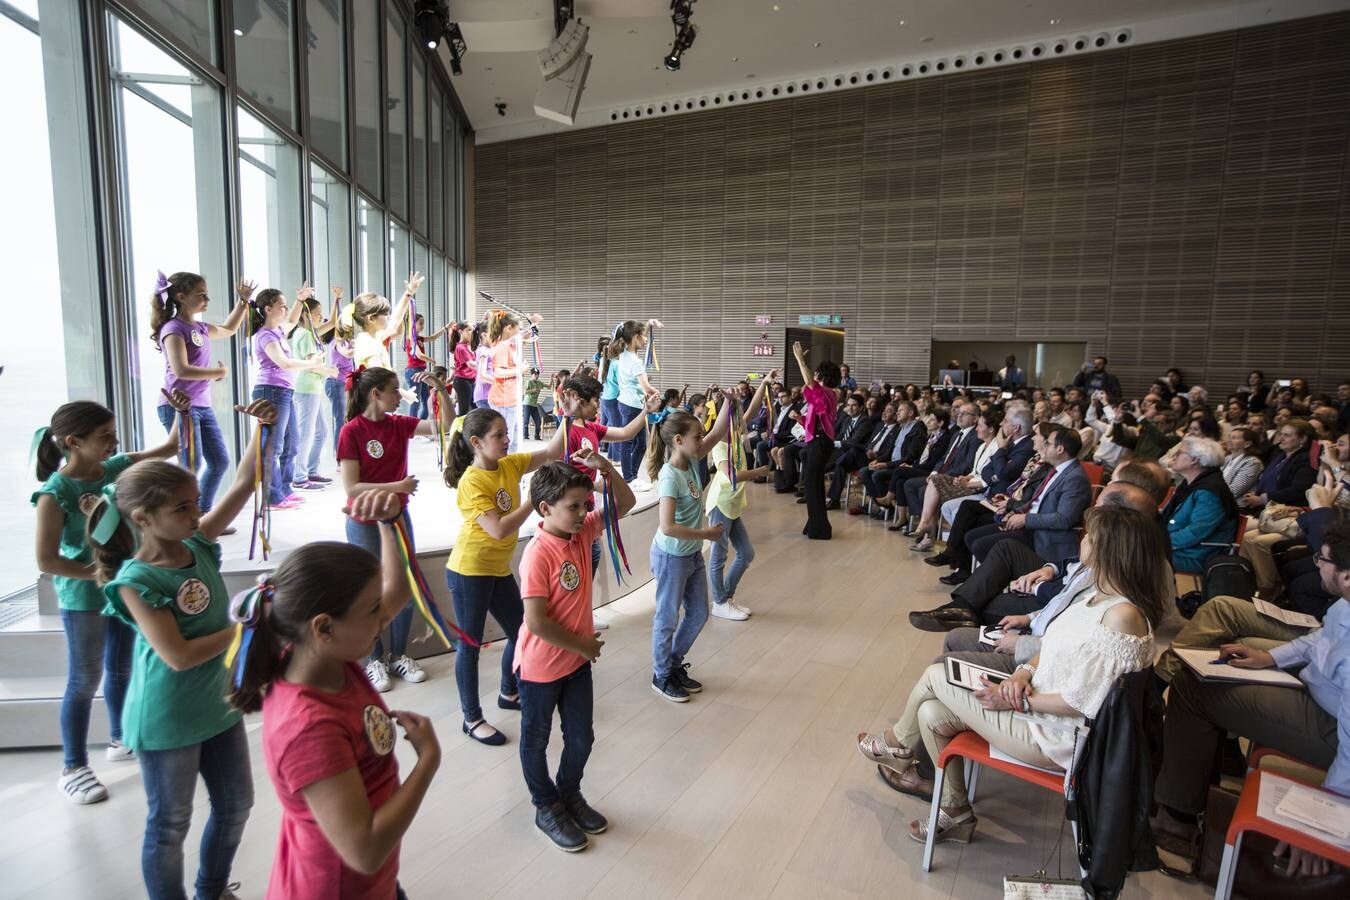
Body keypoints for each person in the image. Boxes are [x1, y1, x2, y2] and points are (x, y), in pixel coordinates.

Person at [856, 506, 1170, 841]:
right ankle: (955, 809)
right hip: (1034, 702)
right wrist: (1021, 674)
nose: (1083, 540)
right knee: (932, 711)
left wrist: (1016, 700)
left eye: (1090, 536)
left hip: (1057, 735)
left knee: (937, 675)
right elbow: (1050, 648)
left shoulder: (1123, 614)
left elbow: (1084, 702)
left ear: (1109, 548)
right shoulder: (1097, 594)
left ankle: (898, 745)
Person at [86, 399, 277, 900]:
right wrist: (249, 626)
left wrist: (260, 429)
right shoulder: (135, 579)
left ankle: (211, 890)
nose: (198, 512)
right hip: (167, 715)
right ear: (144, 518)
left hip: (217, 703)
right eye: (184, 507)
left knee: (236, 804)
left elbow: (240, 486)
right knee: (170, 822)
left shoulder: (196, 545)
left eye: (196, 502)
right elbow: (178, 655)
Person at [223, 492, 438, 899]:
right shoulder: (309, 728)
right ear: (324, 627)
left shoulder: (320, 655)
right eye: (373, 610)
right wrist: (427, 760)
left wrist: (390, 524)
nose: (384, 616)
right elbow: (365, 850)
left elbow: (397, 592)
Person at [1152, 522, 1350, 879]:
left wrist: (1326, 822)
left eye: (1322, 559)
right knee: (1222, 654)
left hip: (1333, 728)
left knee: (1193, 687)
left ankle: (1177, 818)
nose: (1316, 564)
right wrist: (1270, 659)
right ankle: (1206, 758)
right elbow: (1320, 639)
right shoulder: (1345, 603)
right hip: (1323, 689)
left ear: (1347, 577)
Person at [33, 396, 188, 803]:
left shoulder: (117, 468)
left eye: (113, 433)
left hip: (121, 592)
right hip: (84, 598)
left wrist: (182, 412)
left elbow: (170, 448)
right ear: (72, 441)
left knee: (120, 668)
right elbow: (46, 559)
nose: (114, 442)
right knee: (83, 681)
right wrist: (97, 575)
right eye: (104, 436)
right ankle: (74, 766)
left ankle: (121, 737)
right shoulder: (55, 492)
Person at [516, 459, 635, 852]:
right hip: (540, 669)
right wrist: (583, 644)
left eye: (585, 504)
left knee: (581, 738)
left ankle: (569, 794)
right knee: (536, 740)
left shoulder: (582, 531)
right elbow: (536, 622)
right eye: (574, 506)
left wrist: (607, 470)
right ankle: (546, 805)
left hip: (576, 663)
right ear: (545, 508)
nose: (583, 513)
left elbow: (626, 502)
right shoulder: (537, 554)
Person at [444, 408, 566, 745]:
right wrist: (533, 500)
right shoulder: (471, 482)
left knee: (521, 630)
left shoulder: (509, 464)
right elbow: (497, 529)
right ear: (476, 442)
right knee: (470, 646)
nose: (506, 439)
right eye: (498, 435)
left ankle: (507, 692)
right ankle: (471, 718)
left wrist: (566, 417)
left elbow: (552, 452)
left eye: (505, 432)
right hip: (469, 570)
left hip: (496, 569)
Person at [339, 366, 456, 693]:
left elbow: (447, 426)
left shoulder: (399, 425)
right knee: (370, 589)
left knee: (404, 584)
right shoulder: (352, 431)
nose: (400, 397)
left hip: (398, 519)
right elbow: (351, 487)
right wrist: (398, 486)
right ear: (375, 393)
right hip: (364, 523)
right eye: (394, 391)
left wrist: (442, 391)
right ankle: (372, 659)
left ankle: (398, 654)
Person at [646, 400, 732, 702]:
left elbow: (719, 430)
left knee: (697, 613)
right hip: (671, 556)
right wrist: (706, 534)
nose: (702, 439)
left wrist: (729, 401)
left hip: (691, 553)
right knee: (667, 617)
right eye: (697, 436)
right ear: (679, 441)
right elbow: (667, 526)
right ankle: (661, 675)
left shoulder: (692, 460)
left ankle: (671, 664)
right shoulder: (670, 476)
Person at [149, 271, 250, 513]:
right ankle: (184, 517)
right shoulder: (173, 329)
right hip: (179, 406)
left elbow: (228, 329)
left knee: (219, 461)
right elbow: (181, 369)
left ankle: (201, 514)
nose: (207, 299)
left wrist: (243, 302)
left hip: (201, 405)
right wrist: (218, 374)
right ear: (181, 297)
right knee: (190, 465)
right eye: (201, 294)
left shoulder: (201, 328)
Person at [250, 286, 331, 510]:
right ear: (267, 309)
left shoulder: (277, 330)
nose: (286, 310)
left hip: (284, 392)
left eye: (286, 306)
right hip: (270, 392)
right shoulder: (265, 335)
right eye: (281, 306)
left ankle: (284, 490)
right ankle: (272, 497)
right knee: (273, 447)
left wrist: (298, 300)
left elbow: (293, 319)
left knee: (292, 443)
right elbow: (283, 363)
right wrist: (312, 363)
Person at [706, 373, 776, 622]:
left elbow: (754, 407)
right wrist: (758, 472)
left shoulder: (736, 432)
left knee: (746, 554)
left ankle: (726, 597)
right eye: (734, 412)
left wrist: (765, 383)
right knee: (719, 555)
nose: (740, 416)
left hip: (733, 504)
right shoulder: (720, 442)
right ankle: (719, 602)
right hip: (721, 503)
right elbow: (730, 475)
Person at [1163, 436, 1240, 574]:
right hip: (1181, 549)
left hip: (1196, 555)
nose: (1174, 456)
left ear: (1194, 460)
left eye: (1180, 453)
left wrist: (1158, 540)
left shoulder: (1209, 492)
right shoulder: (1189, 484)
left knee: (1134, 555)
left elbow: (1195, 533)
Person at [791, 340, 843, 540]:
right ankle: (815, 524)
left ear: (822, 375)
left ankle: (820, 529)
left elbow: (810, 384)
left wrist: (800, 360)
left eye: (816, 373)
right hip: (818, 440)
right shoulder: (824, 395)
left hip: (821, 442)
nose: (813, 376)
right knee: (814, 485)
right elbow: (816, 421)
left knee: (813, 485)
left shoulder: (828, 392)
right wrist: (799, 419)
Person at [289, 296, 339, 491]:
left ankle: (310, 470)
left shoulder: (309, 333)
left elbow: (333, 322)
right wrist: (330, 371)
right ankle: (299, 477)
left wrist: (336, 299)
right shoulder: (305, 334)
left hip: (312, 389)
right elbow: (312, 366)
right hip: (307, 388)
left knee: (321, 432)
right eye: (317, 314)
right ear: (305, 315)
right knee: (307, 434)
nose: (321, 317)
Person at [611, 319, 662, 482]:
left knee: (638, 443)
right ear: (634, 337)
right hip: (632, 405)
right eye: (643, 336)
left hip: (626, 403)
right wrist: (658, 392)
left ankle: (631, 477)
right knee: (630, 442)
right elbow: (647, 388)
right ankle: (630, 478)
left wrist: (648, 323)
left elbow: (634, 334)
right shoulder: (635, 361)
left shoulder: (625, 354)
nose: (646, 339)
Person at [1221, 426, 1264, 499]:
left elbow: (1234, 491)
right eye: (1229, 437)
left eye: (1234, 438)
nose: (1229, 440)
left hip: (1237, 507)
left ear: (1247, 444)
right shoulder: (1227, 458)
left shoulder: (1252, 462)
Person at [448, 322, 477, 415]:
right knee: (464, 411)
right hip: (462, 381)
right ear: (461, 332)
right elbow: (471, 364)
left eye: (472, 330)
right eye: (468, 330)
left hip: (471, 380)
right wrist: (485, 366)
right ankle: (459, 429)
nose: (471, 332)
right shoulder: (460, 347)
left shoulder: (469, 346)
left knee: (474, 407)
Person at [522, 367, 547, 441]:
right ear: (532, 374)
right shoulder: (528, 382)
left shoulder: (539, 383)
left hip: (534, 405)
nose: (537, 376)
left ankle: (537, 436)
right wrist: (534, 390)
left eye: (537, 374)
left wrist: (552, 379)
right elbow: (524, 392)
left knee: (538, 421)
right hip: (527, 404)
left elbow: (548, 386)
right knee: (526, 421)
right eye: (535, 374)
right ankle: (525, 436)